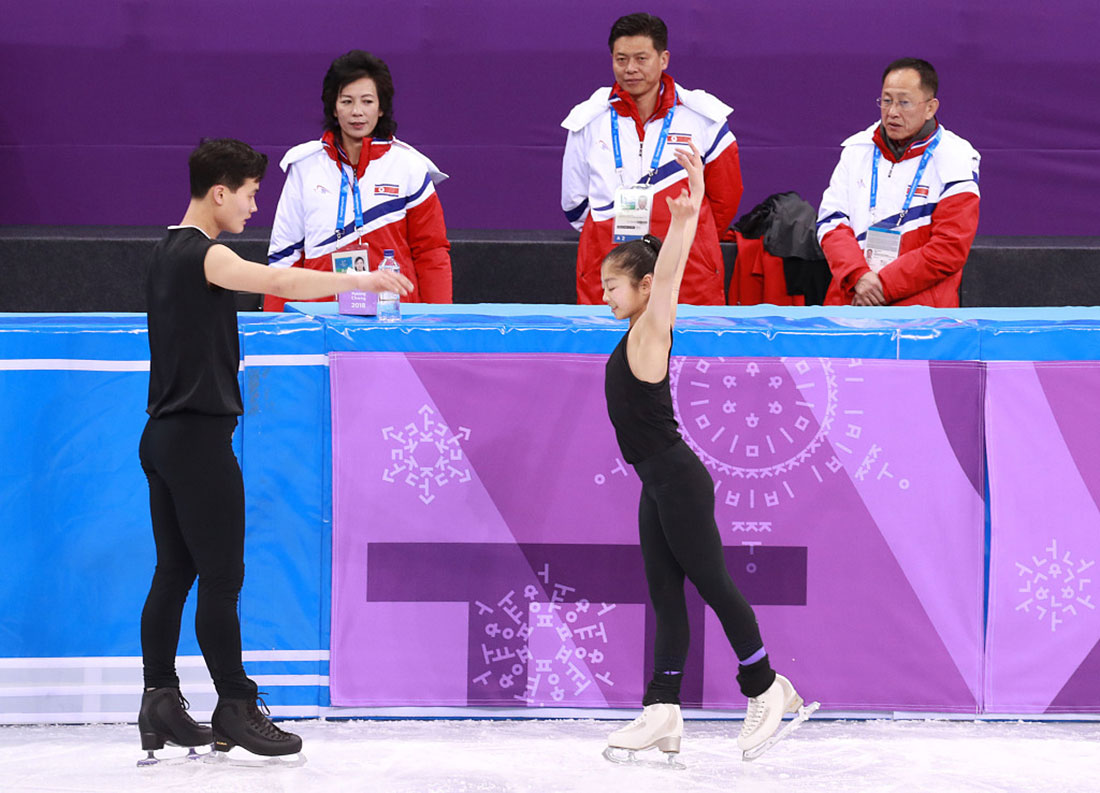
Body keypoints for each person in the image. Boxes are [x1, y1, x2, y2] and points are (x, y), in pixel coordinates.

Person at [138, 138, 412, 764]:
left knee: (175, 572)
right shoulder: (204, 255)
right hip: (199, 438)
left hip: (162, 436)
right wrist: (361, 278)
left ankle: (159, 698)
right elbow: (279, 279)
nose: (256, 207)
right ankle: (235, 705)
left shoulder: (163, 252)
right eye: (251, 194)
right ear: (219, 193)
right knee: (221, 577)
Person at [600, 143, 814, 765]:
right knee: (665, 595)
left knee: (714, 584)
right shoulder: (633, 331)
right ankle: (663, 711)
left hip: (678, 479)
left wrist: (688, 215)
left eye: (613, 285)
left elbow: (665, 277)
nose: (604, 294)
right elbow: (654, 280)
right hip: (656, 483)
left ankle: (766, 687)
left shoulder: (650, 327)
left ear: (641, 287)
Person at [561, 12, 743, 306]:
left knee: (687, 350)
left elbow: (725, 200)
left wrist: (690, 237)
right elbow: (574, 203)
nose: (630, 69)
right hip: (609, 264)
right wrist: (609, 227)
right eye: (621, 59)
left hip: (688, 267)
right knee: (609, 351)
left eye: (641, 58)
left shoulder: (704, 119)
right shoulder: (588, 120)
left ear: (664, 59)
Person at [265, 50, 451, 312]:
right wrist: (277, 331)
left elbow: (431, 252)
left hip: (393, 320)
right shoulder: (304, 166)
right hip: (320, 319)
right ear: (333, 106)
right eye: (346, 101)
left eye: (367, 101)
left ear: (381, 107)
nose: (357, 112)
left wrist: (438, 322)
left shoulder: (409, 165)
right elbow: (285, 256)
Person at [816, 58, 981, 307]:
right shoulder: (856, 149)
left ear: (930, 107)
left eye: (904, 102)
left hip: (920, 314)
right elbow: (831, 222)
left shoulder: (957, 157)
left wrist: (882, 286)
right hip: (852, 300)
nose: (892, 112)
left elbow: (949, 249)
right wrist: (858, 277)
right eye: (886, 100)